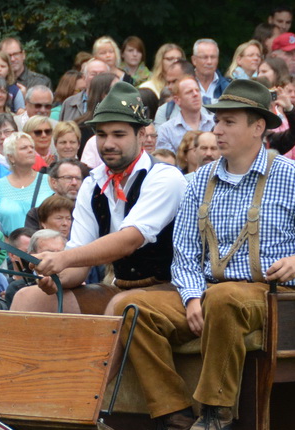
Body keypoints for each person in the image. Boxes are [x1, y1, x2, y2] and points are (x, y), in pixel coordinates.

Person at [113, 80, 295, 430]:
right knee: (134, 309)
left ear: (258, 127)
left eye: (228, 122)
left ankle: (216, 415)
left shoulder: (293, 175)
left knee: (223, 299)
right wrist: (190, 298)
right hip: (209, 293)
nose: (217, 130)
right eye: (216, 122)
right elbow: (185, 254)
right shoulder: (198, 181)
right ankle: (173, 415)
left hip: (272, 297)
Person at [22, 83, 187, 316]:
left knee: (122, 306)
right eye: (101, 134)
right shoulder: (92, 184)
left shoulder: (165, 177)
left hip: (172, 292)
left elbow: (129, 240)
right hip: (122, 290)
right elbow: (78, 265)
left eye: (118, 134)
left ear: (141, 135)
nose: (108, 143)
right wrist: (55, 277)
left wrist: (63, 258)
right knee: (29, 298)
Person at [0, 134, 49, 236]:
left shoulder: (49, 181)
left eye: (32, 147)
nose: (30, 150)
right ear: (11, 157)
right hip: (10, 249)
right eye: (24, 148)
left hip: (44, 247)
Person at [156, 76, 213, 152]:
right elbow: (165, 162)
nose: (195, 94)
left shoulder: (214, 122)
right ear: (177, 100)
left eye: (197, 90)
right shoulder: (166, 130)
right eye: (189, 92)